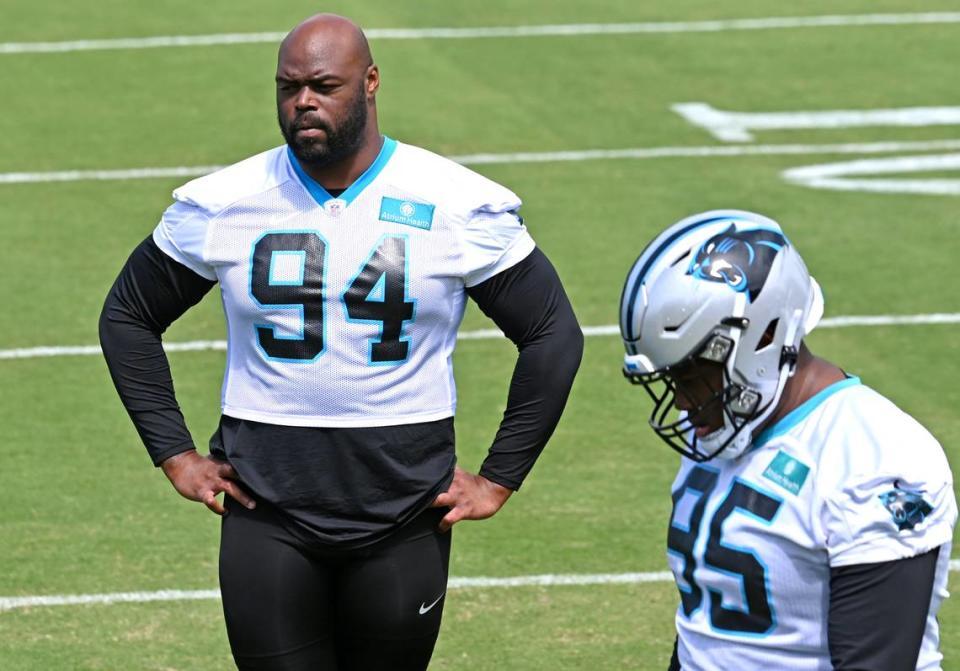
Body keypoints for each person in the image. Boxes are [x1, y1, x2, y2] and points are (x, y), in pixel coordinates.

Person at [99, 13, 582, 671]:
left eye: (324, 85)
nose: (304, 102)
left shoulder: (454, 202)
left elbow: (552, 331)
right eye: (289, 86)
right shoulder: (224, 203)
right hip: (267, 506)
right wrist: (175, 454)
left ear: (371, 81)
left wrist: (500, 477)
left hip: (404, 507)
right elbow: (128, 314)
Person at [618, 210, 956, 670]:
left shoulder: (873, 459)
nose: (681, 401)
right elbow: (705, 637)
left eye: (694, 375)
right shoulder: (727, 425)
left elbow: (875, 662)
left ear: (767, 334)